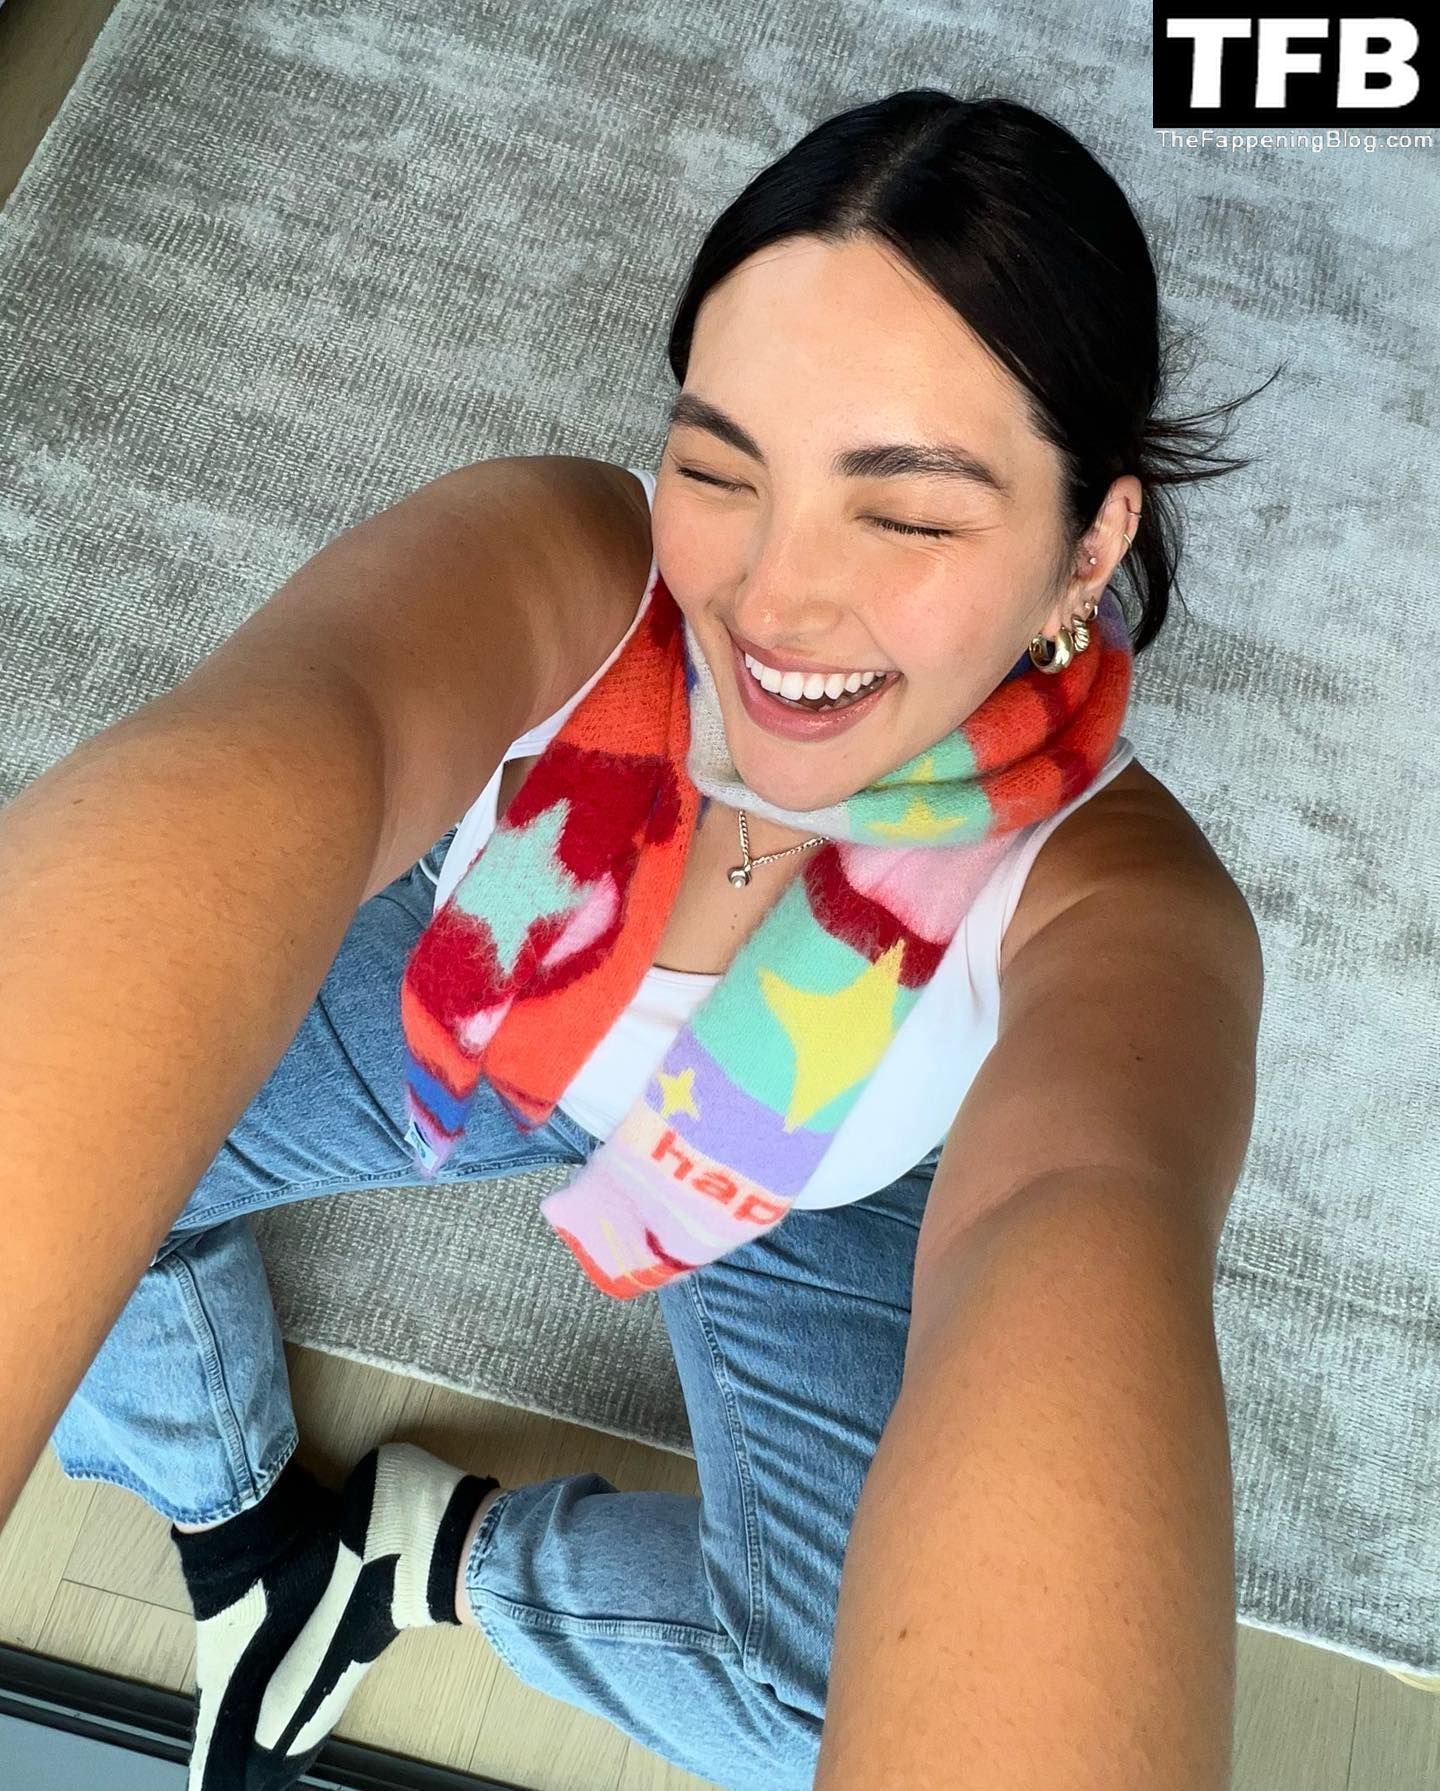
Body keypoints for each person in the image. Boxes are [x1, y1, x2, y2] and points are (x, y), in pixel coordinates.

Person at [0, 89, 1270, 1791]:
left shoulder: (1122, 907)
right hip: (492, 984)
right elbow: (267, 766)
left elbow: (1080, 1220)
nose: (772, 602)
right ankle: (240, 1529)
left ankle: (423, 1559)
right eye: (721, 468)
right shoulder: (569, 564)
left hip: (813, 1164)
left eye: (907, 513)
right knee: (115, 1156)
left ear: (1085, 546)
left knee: (807, 1699)